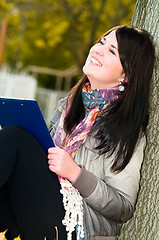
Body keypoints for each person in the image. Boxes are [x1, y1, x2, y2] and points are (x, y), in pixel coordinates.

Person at [0, 25, 155, 240]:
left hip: (77, 226)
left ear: (126, 75)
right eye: (101, 42)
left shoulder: (127, 130)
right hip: (42, 204)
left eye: (112, 51)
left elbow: (123, 207)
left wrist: (75, 173)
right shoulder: (69, 106)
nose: (98, 49)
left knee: (15, 138)